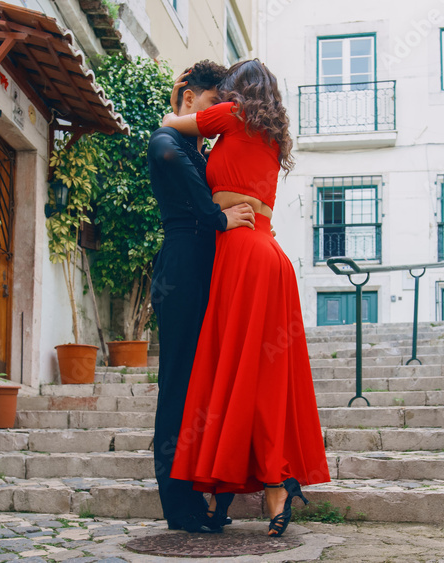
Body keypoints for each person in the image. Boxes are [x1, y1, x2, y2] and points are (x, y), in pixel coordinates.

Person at [161, 59, 331, 538]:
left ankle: (226, 491)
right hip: (271, 254)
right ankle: (272, 489)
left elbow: (173, 125)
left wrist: (182, 94)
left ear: (236, 91)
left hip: (239, 254)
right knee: (260, 375)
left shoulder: (231, 116)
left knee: (228, 369)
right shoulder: (274, 137)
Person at [147, 60, 257, 534]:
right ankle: (177, 503)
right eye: (213, 105)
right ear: (188, 97)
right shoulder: (168, 140)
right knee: (177, 385)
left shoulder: (197, 147)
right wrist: (219, 217)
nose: (215, 119)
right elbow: (168, 160)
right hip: (181, 268)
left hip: (209, 270)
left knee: (203, 386)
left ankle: (200, 491)